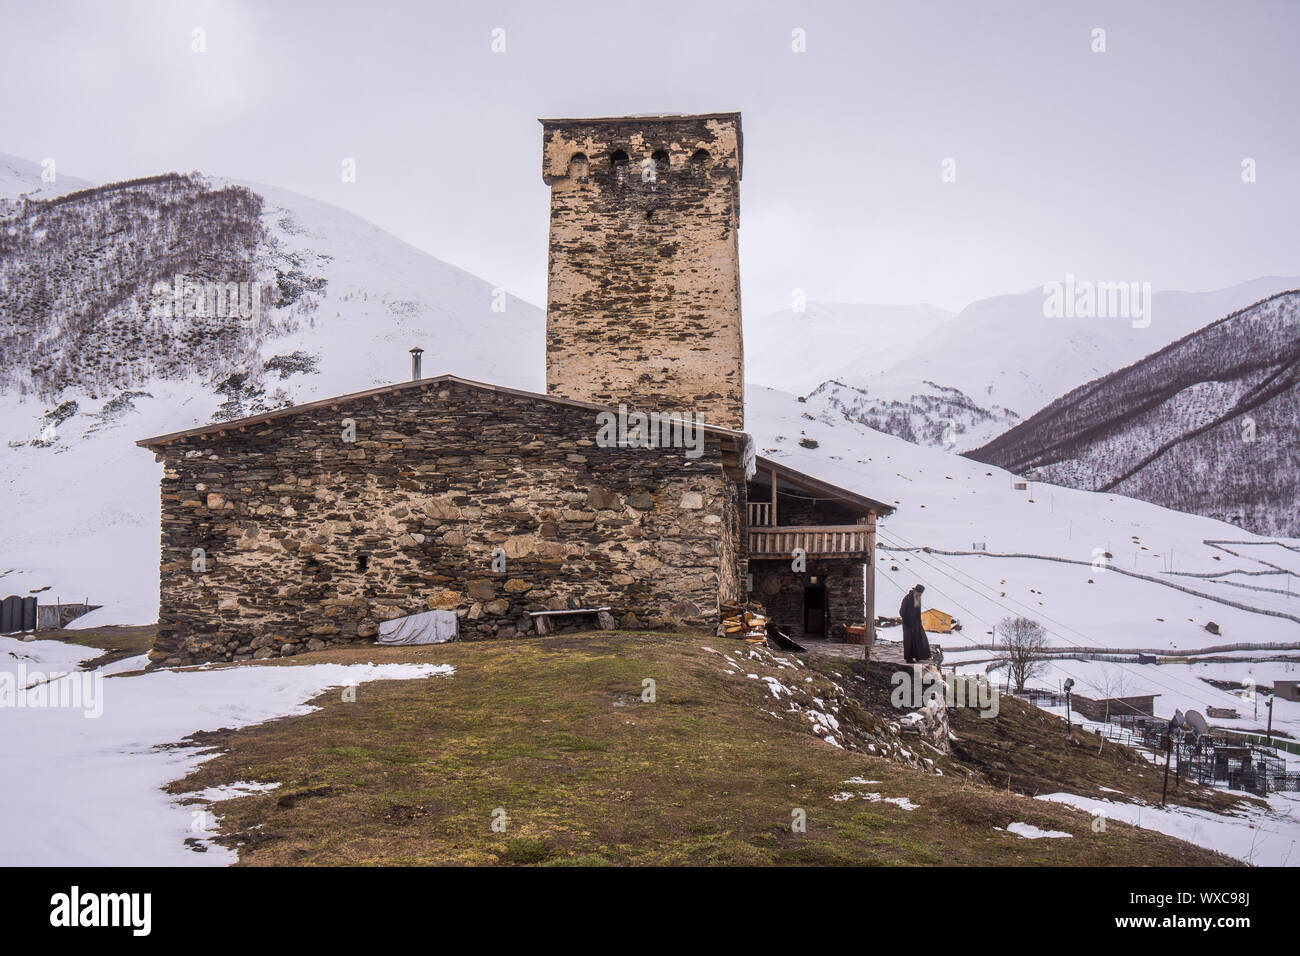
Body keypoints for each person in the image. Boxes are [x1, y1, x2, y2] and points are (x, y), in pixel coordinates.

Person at [900, 584, 931, 663]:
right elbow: (902, 611)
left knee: (919, 639)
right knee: (909, 641)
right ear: (915, 591)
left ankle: (919, 656)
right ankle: (909, 658)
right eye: (919, 593)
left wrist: (918, 622)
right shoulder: (907, 598)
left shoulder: (918, 598)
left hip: (916, 623)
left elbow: (917, 611)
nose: (920, 595)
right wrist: (907, 621)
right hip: (908, 624)